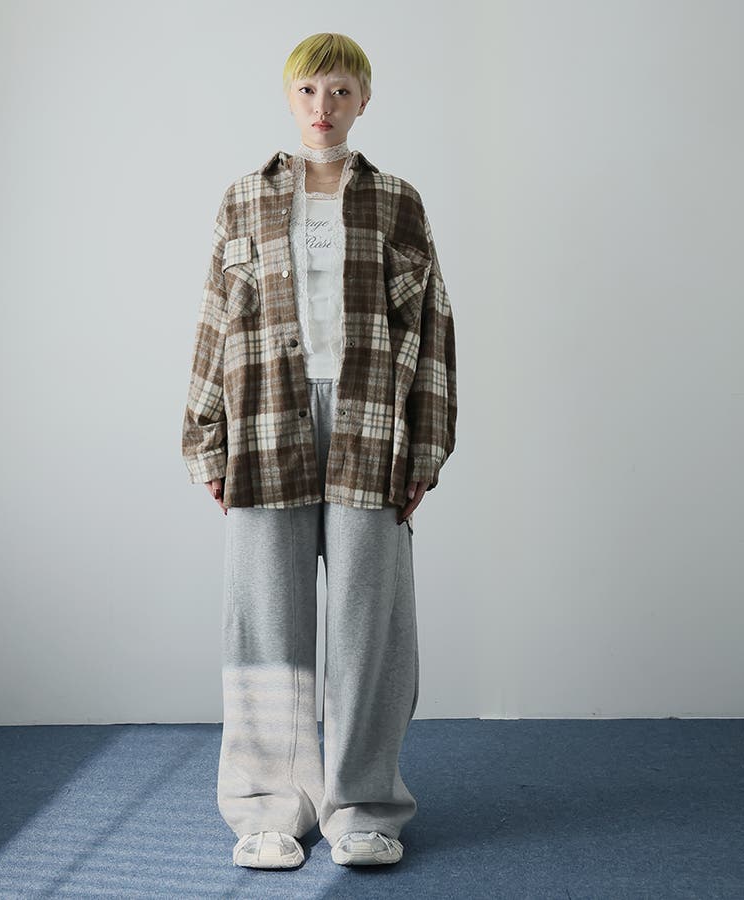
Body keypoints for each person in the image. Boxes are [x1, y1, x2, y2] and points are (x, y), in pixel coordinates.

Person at [181, 32, 457, 870]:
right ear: (289, 98)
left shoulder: (398, 202)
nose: (323, 107)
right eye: (308, 90)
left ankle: (365, 808)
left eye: (340, 91)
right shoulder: (244, 200)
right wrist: (206, 438)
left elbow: (433, 327)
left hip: (372, 421)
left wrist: (427, 449)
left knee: (371, 629)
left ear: (364, 100)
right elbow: (215, 319)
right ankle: (269, 808)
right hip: (267, 418)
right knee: (266, 624)